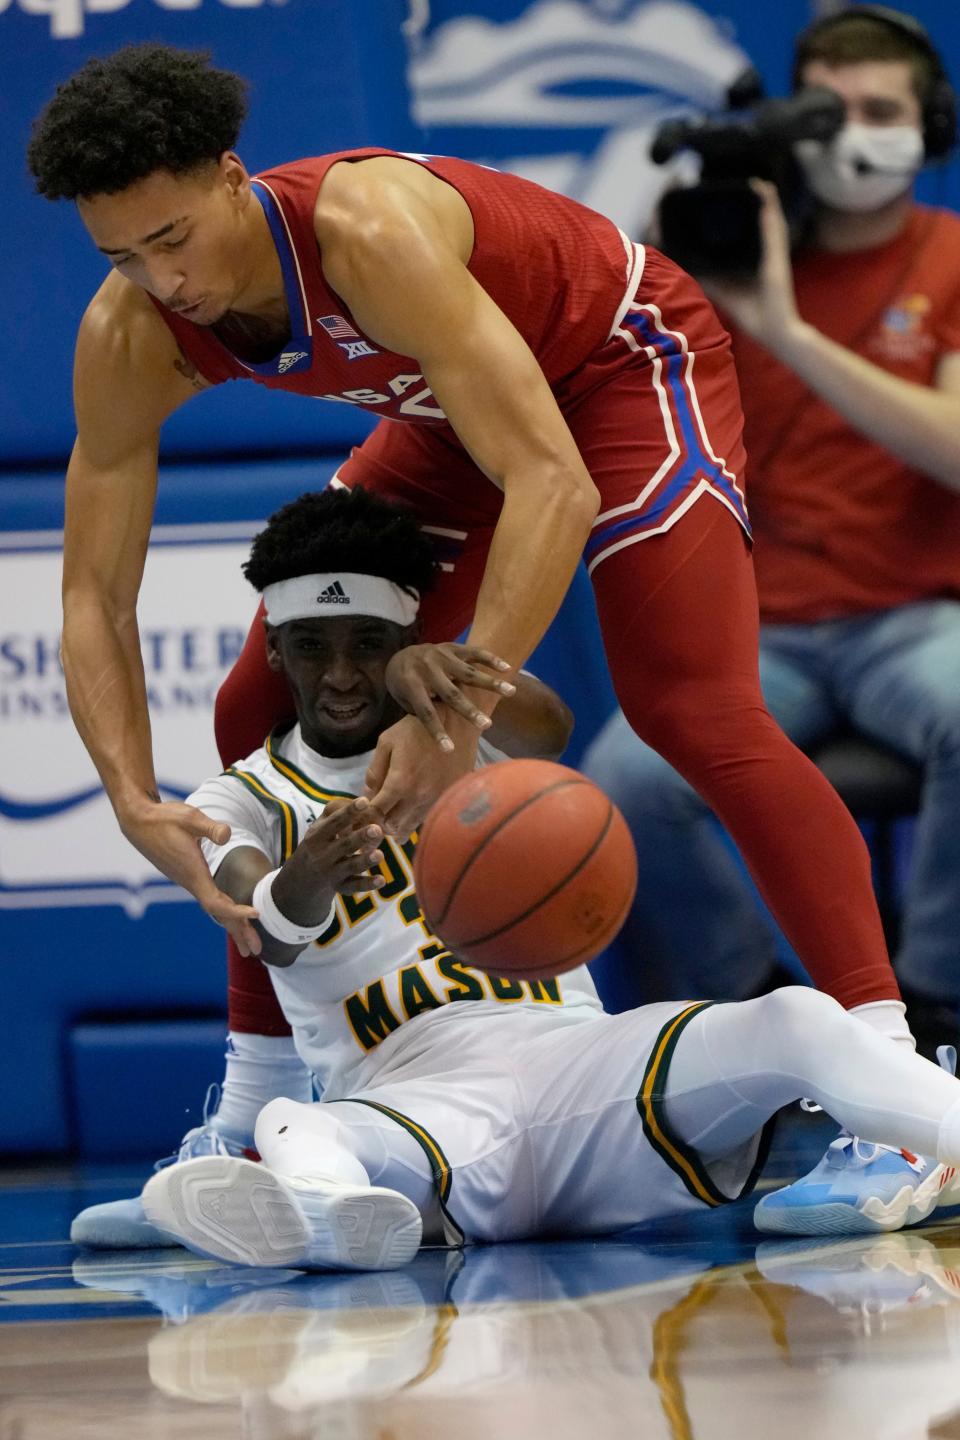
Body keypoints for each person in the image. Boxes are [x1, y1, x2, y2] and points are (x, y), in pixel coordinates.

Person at [30, 43, 910, 1174]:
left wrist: (453, 719)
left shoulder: (368, 232)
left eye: (174, 238)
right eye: (125, 256)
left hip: (618, 368)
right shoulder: (129, 332)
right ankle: (254, 1099)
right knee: (262, 709)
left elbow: (552, 478)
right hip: (451, 417)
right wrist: (127, 797)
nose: (168, 281)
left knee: (691, 707)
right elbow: (92, 593)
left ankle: (897, 1085)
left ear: (231, 176)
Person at [65, 484, 957, 1269]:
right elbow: (264, 929)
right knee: (299, 1125)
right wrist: (309, 876)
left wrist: (453, 670)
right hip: (419, 1103)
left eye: (369, 644)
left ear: (405, 635)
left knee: (797, 1016)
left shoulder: (459, 725)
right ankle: (330, 1214)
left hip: (580, 1069)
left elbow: (552, 727)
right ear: (274, 654)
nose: (340, 675)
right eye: (312, 648)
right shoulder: (241, 794)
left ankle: (934, 1134)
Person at [584, 6, 960, 1224]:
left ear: (932, 126)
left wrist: (786, 330)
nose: (855, 135)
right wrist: (691, 279)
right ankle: (764, 1046)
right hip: (759, 634)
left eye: (884, 111)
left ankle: (937, 1031)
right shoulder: (705, 255)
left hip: (915, 615)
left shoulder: (950, 254)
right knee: (627, 780)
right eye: (827, 109)